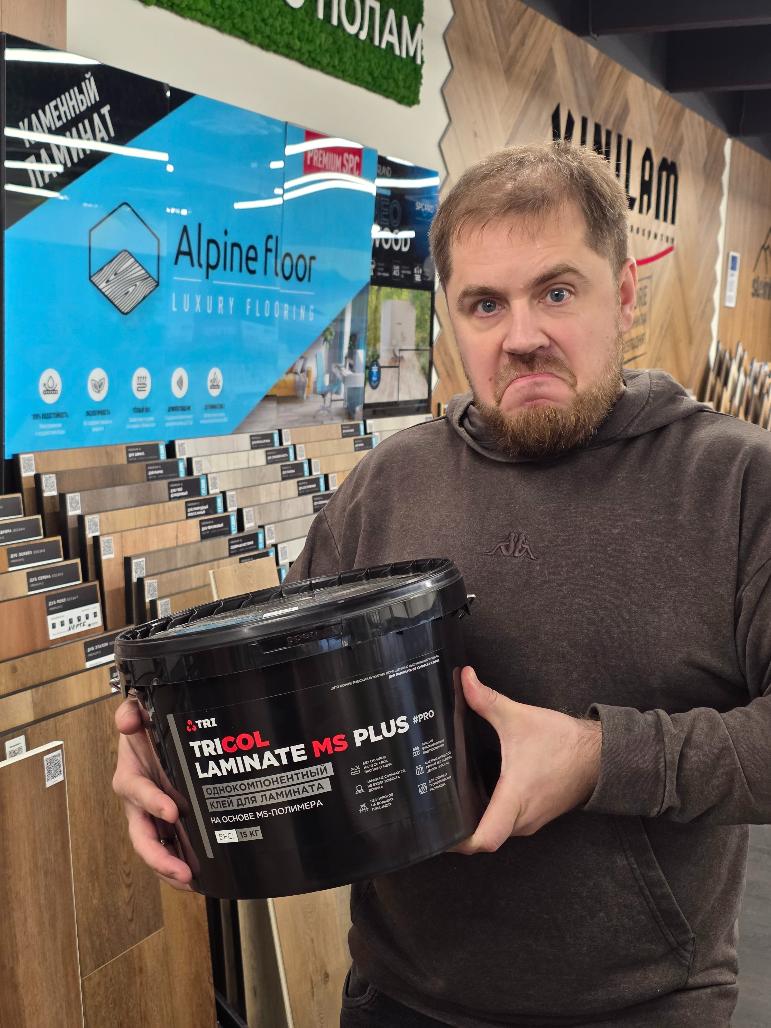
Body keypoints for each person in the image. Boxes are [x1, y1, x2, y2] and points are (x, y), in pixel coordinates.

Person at [113, 141, 771, 1027]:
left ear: (623, 296)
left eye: (557, 291)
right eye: (484, 304)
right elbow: (279, 690)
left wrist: (598, 759)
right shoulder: (391, 482)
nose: (521, 336)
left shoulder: (735, 484)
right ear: (450, 320)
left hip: (642, 1006)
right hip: (398, 998)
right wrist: (170, 756)